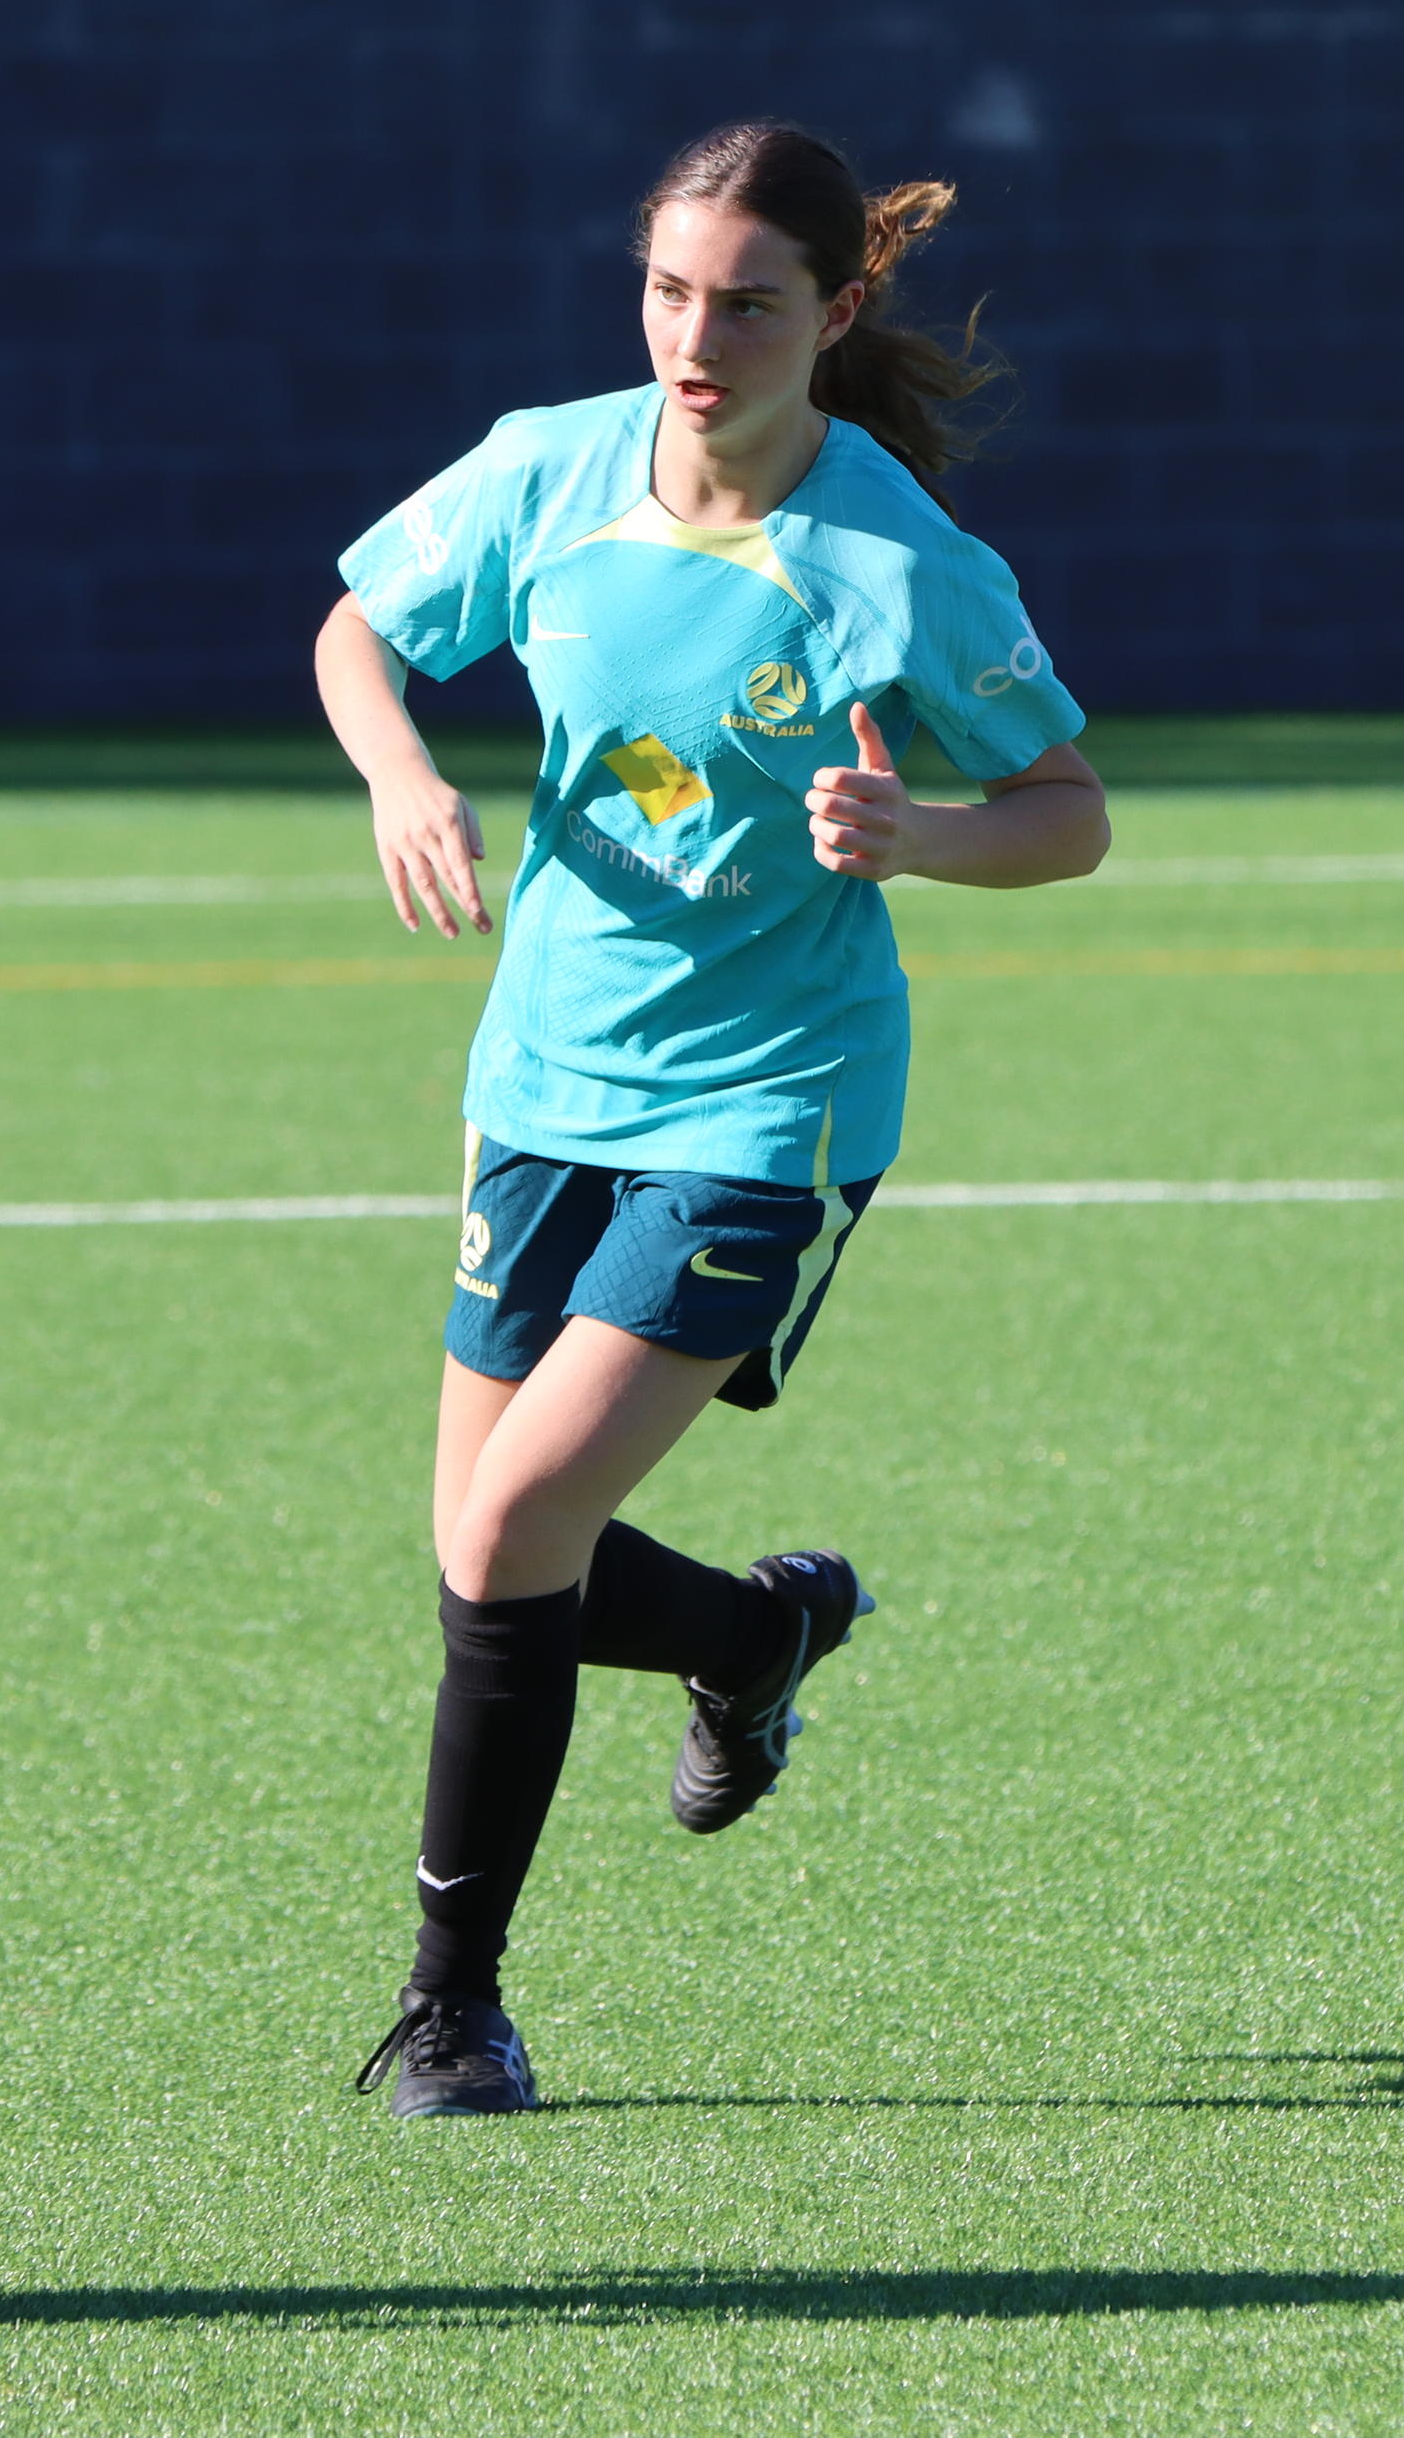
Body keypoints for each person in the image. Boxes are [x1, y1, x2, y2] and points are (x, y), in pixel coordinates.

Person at [312, 118, 1109, 2119]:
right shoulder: (549, 468)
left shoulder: (895, 557)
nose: (697, 335)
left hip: (773, 1097)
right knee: (486, 1549)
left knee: (510, 1529)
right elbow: (357, 631)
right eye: (669, 290)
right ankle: (756, 1632)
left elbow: (1068, 810)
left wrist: (921, 832)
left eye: (747, 302)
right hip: (545, 1072)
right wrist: (404, 773)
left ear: (832, 316)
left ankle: (451, 2009)